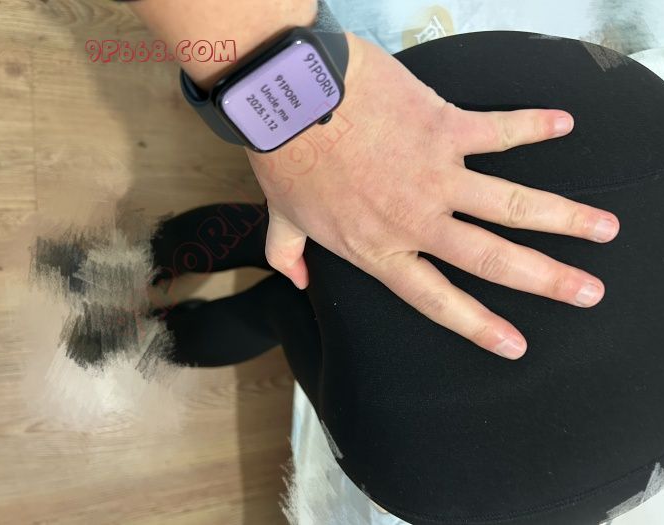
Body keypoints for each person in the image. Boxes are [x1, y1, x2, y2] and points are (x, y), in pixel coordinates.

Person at [148, 31, 664, 524]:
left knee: (293, 231)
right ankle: (183, 322)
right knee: (288, 299)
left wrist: (291, 116)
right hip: (494, 453)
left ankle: (156, 263)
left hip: (614, 125)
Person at [122, 0, 622, 360]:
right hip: (366, 119)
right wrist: (312, 121)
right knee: (290, 297)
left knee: (291, 282)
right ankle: (126, 310)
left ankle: (122, 291)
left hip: (399, 156)